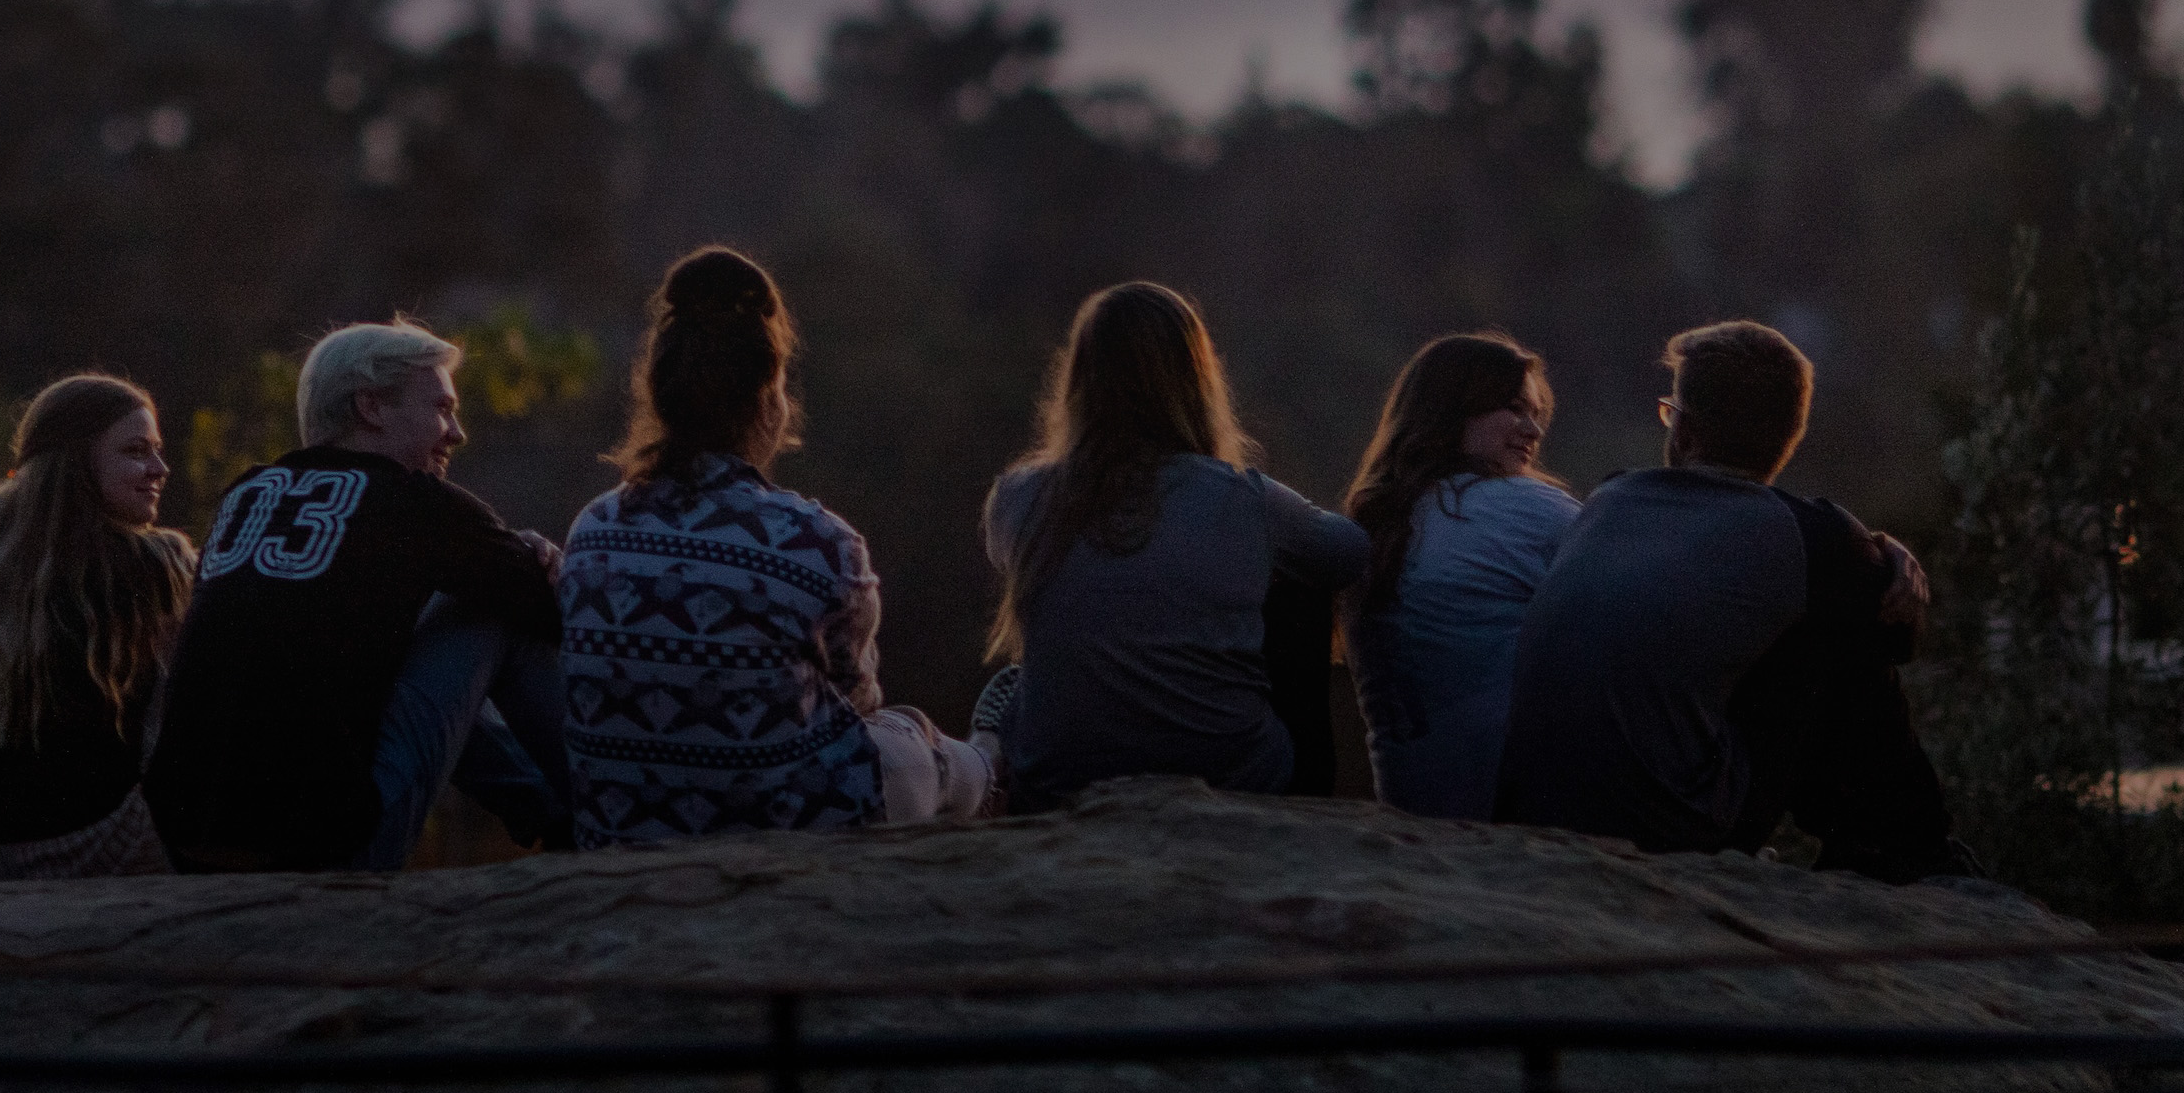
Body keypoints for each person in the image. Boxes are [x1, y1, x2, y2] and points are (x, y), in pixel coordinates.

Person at [560, 248, 993, 844]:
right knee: (910, 741)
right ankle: (991, 767)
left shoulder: (592, 531)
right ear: (768, 396)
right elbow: (858, 706)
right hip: (788, 840)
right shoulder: (820, 545)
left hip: (622, 832)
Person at [1496, 320, 1953, 877]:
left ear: (1684, 432)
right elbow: (1896, 639)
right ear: (1791, 432)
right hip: (1665, 834)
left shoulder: (1611, 497)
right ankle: (1912, 852)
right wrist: (1879, 553)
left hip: (1533, 814)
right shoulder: (1810, 537)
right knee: (1826, 645)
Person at [143, 319, 572, 872]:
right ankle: (608, 813)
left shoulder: (247, 495)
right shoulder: (415, 502)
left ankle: (552, 817)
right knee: (484, 612)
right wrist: (523, 553)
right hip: (328, 850)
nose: (456, 432)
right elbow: (552, 612)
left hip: (186, 845)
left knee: (406, 631)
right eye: (441, 408)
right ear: (371, 407)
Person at [982, 281, 1367, 807]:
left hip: (1055, 781)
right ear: (1197, 381)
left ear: (1080, 382)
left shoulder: (1019, 496)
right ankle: (1303, 803)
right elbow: (1349, 552)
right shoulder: (1242, 498)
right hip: (1234, 777)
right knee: (1296, 587)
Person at [0, 373, 196, 879]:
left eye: (157, 450)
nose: (159, 468)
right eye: (136, 451)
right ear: (76, 461)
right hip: (95, 845)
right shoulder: (154, 562)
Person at [1341, 332, 1580, 820]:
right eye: (1514, 408)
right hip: (1512, 804)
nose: (1533, 430)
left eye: (1536, 414)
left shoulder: (1372, 520)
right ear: (1453, 409)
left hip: (1409, 798)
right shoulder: (1528, 508)